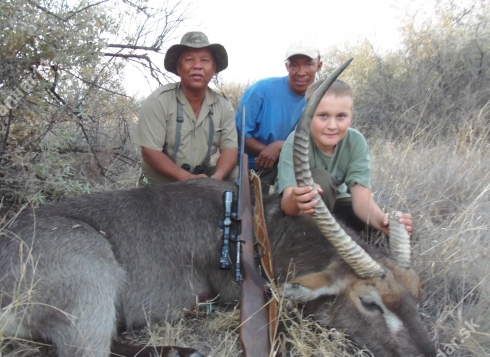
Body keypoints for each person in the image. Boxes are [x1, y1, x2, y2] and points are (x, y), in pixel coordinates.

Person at [277, 79, 413, 236]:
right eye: (323, 116)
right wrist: (298, 198)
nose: (332, 126)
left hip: (338, 204)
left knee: (398, 227)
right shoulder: (294, 142)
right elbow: (287, 204)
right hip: (301, 213)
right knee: (322, 180)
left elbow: (362, 201)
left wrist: (384, 222)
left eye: (341, 116)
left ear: (351, 115)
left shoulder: (356, 141)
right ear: (306, 115)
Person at [137, 32, 238, 186]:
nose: (197, 66)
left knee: (236, 174)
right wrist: (186, 179)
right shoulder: (159, 100)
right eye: (189, 60)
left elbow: (230, 151)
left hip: (200, 180)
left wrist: (216, 180)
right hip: (162, 182)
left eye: (205, 60)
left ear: (213, 67)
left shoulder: (223, 105)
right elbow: (150, 153)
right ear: (179, 66)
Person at [236, 40, 322, 194]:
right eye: (294, 65)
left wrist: (282, 146)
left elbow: (320, 142)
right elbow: (239, 135)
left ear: (319, 66)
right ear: (287, 66)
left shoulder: (323, 99)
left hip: (294, 166)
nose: (301, 72)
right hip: (254, 167)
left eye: (308, 64)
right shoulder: (261, 90)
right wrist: (268, 151)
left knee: (322, 181)